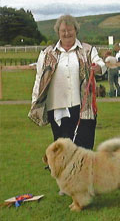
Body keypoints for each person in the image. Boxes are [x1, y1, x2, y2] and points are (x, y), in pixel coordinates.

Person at [28, 14, 106, 150]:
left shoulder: (87, 50)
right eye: (63, 30)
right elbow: (39, 78)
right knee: (62, 148)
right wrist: (35, 101)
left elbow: (100, 63)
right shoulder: (47, 53)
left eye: (70, 30)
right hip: (57, 107)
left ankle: (83, 171)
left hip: (82, 107)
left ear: (76, 30)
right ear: (58, 32)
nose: (67, 33)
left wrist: (98, 67)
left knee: (83, 146)